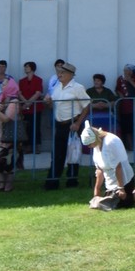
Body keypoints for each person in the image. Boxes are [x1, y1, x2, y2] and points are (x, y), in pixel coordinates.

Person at [44, 61, 88, 189]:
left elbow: (86, 106)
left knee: (72, 153)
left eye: (62, 72)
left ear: (70, 74)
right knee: (57, 153)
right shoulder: (57, 86)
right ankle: (52, 181)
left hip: (72, 124)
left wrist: (78, 123)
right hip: (59, 124)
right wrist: (49, 103)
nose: (59, 74)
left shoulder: (77, 88)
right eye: (59, 72)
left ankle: (72, 181)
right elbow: (54, 105)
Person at [83, 123, 135, 210]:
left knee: (118, 204)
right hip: (111, 182)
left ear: (95, 139)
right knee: (106, 204)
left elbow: (118, 167)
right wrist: (97, 190)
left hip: (124, 180)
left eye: (89, 144)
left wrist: (121, 189)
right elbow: (99, 170)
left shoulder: (110, 143)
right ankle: (134, 193)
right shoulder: (96, 145)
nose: (89, 147)